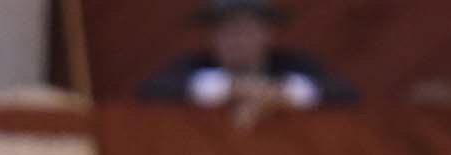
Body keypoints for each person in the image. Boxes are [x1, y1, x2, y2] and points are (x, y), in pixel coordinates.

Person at [138, 0, 357, 124]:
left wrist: (280, 94)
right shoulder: (192, 65)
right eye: (227, 32)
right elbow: (151, 92)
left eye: (245, 31)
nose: (237, 40)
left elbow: (346, 94)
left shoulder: (294, 64)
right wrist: (230, 89)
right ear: (211, 38)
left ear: (268, 34)